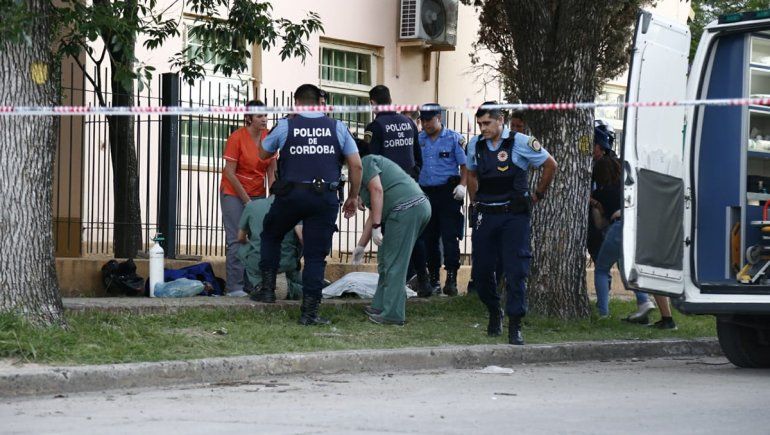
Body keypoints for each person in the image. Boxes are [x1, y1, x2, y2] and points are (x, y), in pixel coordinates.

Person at [255, 84, 363, 326]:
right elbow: (356, 165)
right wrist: (353, 197)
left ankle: (268, 290)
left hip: (291, 196)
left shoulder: (286, 125)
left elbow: (261, 154)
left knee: (271, 234)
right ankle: (310, 313)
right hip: (324, 198)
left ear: (297, 102)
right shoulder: (338, 127)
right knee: (315, 256)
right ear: (319, 103)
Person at [467, 102, 557, 345]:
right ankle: (495, 310)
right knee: (482, 272)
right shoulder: (475, 145)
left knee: (516, 270)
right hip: (487, 214)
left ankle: (515, 324)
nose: (483, 128)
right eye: (480, 124)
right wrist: (474, 202)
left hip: (513, 216)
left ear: (500, 120)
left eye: (487, 123)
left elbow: (550, 165)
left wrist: (538, 193)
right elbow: (471, 173)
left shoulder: (521, 142)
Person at [351, 143, 432, 325]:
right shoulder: (367, 166)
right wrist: (361, 246)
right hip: (408, 209)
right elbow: (373, 212)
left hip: (405, 210)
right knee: (386, 260)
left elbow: (377, 191)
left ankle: (393, 315)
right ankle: (380, 305)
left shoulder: (366, 162)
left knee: (395, 263)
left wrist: (378, 226)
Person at [219, 100, 276, 297]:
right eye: (259, 116)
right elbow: (229, 172)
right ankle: (234, 287)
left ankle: (253, 284)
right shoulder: (236, 138)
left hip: (258, 192)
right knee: (237, 238)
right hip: (234, 192)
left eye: (265, 115)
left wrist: (273, 197)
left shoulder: (269, 138)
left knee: (257, 239)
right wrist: (247, 201)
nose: (264, 119)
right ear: (249, 118)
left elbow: (271, 169)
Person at [591, 155, 656, 322]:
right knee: (626, 266)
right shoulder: (626, 186)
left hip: (617, 228)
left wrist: (595, 205)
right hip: (635, 228)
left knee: (602, 269)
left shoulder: (599, 194)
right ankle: (643, 301)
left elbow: (599, 224)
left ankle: (603, 312)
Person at [413, 103, 468, 296]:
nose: (426, 124)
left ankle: (451, 277)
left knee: (450, 236)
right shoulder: (418, 139)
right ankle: (434, 278)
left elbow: (465, 166)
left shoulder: (454, 139)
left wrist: (462, 185)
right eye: (423, 120)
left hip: (447, 193)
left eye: (429, 120)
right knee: (429, 238)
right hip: (425, 193)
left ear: (439, 118)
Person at [238, 197, 304, 301]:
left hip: (260, 262)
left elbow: (240, 238)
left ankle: (258, 283)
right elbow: (301, 237)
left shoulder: (252, 206)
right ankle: (296, 288)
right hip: (285, 263)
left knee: (243, 248)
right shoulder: (295, 207)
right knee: (306, 286)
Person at [363, 85, 422, 179]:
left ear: (372, 102)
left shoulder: (373, 127)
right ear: (390, 100)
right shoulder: (409, 122)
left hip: (387, 183)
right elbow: (418, 155)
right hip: (410, 182)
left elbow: (369, 159)